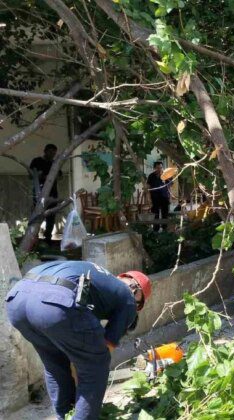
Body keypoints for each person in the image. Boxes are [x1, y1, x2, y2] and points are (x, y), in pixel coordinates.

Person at [5, 261, 152, 419]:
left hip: (16, 301)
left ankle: (65, 415)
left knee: (55, 363)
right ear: (137, 295)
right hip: (55, 303)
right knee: (96, 364)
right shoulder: (129, 300)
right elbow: (103, 349)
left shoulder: (99, 277)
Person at [30, 144, 59, 244]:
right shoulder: (37, 161)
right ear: (45, 151)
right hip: (39, 194)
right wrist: (42, 176)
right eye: (50, 152)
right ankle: (34, 239)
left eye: (54, 153)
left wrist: (52, 177)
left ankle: (48, 239)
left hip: (53, 194)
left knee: (51, 217)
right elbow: (31, 175)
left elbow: (60, 175)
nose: (52, 155)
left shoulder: (54, 163)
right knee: (37, 216)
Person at [147, 161, 170, 232]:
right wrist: (149, 199)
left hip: (164, 197)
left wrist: (170, 197)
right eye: (157, 168)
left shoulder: (166, 175)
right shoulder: (151, 176)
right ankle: (155, 229)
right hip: (154, 198)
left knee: (165, 214)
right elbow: (148, 187)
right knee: (155, 214)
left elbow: (170, 186)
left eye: (161, 167)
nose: (159, 169)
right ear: (154, 168)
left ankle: (164, 229)